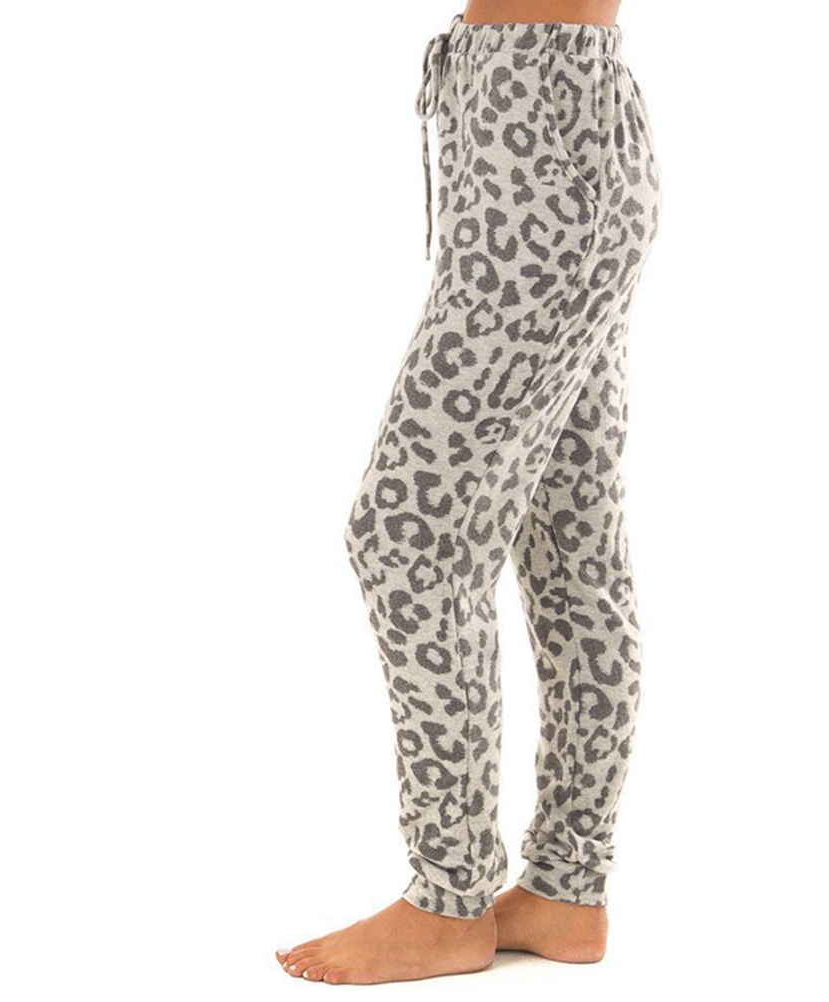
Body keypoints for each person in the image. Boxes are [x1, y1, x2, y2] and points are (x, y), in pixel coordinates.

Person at [276, 0, 659, 984]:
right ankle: (566, 888)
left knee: (407, 538)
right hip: (548, 122)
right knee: (570, 534)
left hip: (540, 135)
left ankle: (449, 900)